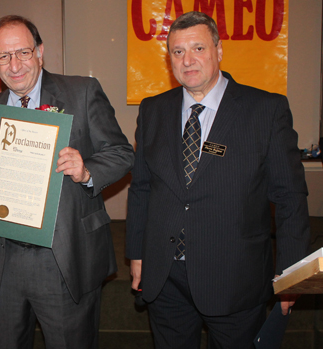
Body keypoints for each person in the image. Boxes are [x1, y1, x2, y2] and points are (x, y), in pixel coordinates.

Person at [126, 11, 310, 348]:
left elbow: (290, 197)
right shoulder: (153, 109)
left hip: (235, 278)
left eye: (198, 48)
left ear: (219, 50)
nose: (188, 60)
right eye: (178, 52)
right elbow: (141, 187)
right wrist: (137, 255)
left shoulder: (265, 110)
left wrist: (291, 275)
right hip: (165, 277)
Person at [0, 15, 134, 349]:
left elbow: (122, 153)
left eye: (23, 53)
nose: (15, 65)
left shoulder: (82, 92)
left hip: (64, 259)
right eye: (3, 56)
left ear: (40, 52)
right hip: (3, 262)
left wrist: (86, 170)